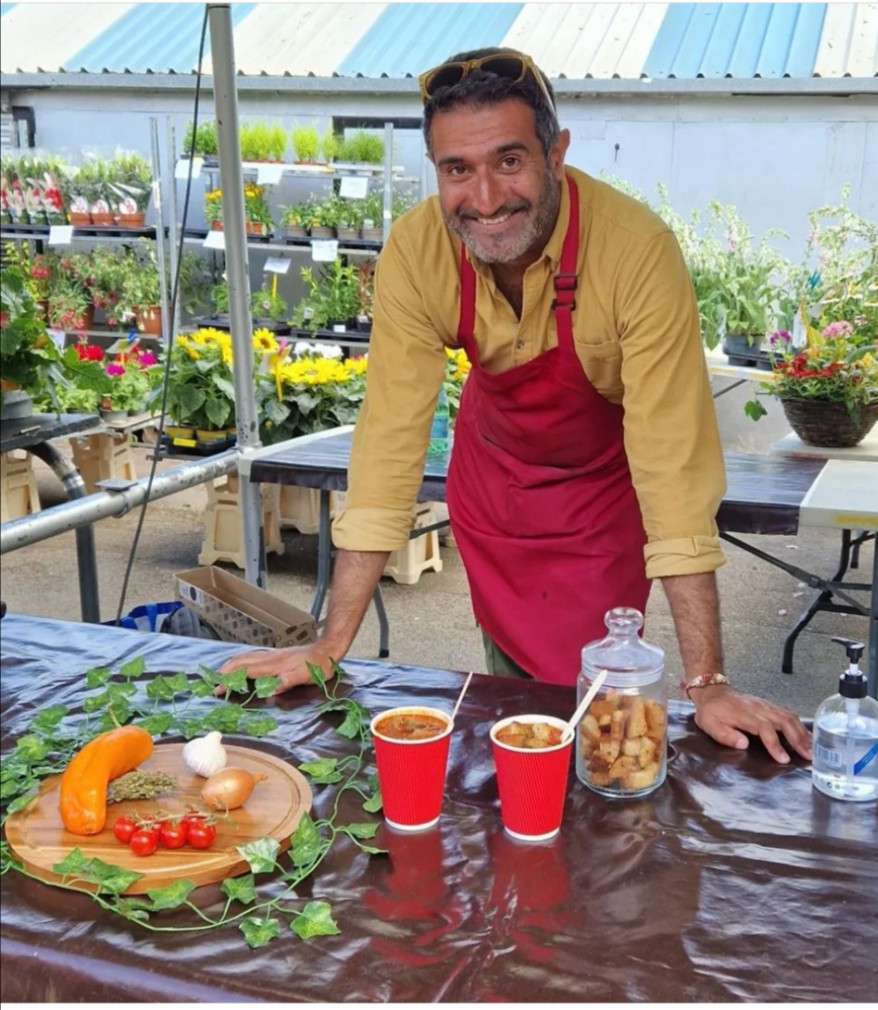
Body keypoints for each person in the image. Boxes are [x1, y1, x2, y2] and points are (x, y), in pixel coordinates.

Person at [222, 47, 812, 765]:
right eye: (457, 170)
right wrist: (330, 643)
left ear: (556, 152)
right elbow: (387, 446)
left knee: (591, 691)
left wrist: (707, 682)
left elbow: (673, 470)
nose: (487, 198)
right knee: (515, 691)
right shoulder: (418, 248)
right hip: (495, 483)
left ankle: (571, 807)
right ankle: (525, 793)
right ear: (435, 170)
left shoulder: (635, 253)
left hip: (600, 490)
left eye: (509, 161)